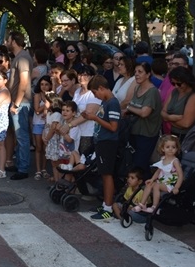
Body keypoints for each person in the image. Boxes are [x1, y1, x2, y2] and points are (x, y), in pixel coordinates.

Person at [83, 74, 121, 220]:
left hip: (108, 142)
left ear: (101, 88)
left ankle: (108, 207)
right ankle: (106, 203)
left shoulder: (112, 103)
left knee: (107, 174)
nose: (95, 96)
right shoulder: (106, 102)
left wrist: (95, 118)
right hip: (101, 141)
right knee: (104, 174)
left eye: (94, 92)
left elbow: (113, 127)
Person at [124, 62, 163, 177]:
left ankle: (145, 185)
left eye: (140, 72)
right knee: (135, 163)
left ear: (148, 74)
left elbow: (144, 112)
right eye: (135, 72)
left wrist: (128, 107)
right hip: (134, 131)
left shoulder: (152, 91)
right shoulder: (137, 88)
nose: (136, 74)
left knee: (140, 165)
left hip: (147, 134)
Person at [6, 31, 33, 180]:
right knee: (18, 135)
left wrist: (16, 104)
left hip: (21, 103)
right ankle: (20, 164)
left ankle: (23, 169)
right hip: (17, 101)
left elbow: (24, 82)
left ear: (14, 42)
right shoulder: (19, 57)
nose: (6, 43)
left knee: (22, 136)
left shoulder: (22, 58)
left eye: (8, 40)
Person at [134, 135, 184, 213]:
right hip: (161, 181)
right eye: (168, 147)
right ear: (163, 148)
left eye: (173, 147)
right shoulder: (163, 158)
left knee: (156, 185)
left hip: (170, 184)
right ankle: (142, 204)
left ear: (177, 149)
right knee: (149, 184)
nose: (170, 149)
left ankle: (154, 207)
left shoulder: (175, 161)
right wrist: (152, 179)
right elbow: (158, 171)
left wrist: (176, 187)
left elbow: (181, 175)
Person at [161, 66, 195, 139]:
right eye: (173, 83)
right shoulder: (174, 92)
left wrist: (167, 118)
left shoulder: (194, 97)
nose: (176, 86)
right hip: (174, 133)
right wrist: (170, 117)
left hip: (188, 137)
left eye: (179, 84)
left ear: (187, 81)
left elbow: (186, 124)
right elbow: (162, 112)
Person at [32, 75, 52, 180]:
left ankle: (44, 169)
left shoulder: (52, 95)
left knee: (46, 148)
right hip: (38, 123)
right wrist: (48, 103)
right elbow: (37, 110)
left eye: (46, 84)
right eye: (42, 84)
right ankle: (38, 170)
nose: (44, 87)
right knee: (39, 147)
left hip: (48, 123)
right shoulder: (37, 95)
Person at [42, 94, 65, 182]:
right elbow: (46, 126)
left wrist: (47, 138)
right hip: (50, 140)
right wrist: (44, 136)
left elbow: (53, 128)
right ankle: (56, 179)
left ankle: (60, 180)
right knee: (53, 162)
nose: (45, 103)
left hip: (55, 140)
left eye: (46, 102)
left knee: (57, 162)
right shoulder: (49, 114)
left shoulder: (57, 114)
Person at [57, 101, 85, 172]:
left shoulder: (74, 127)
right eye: (63, 110)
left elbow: (69, 140)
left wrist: (61, 129)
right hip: (63, 152)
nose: (64, 112)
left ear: (73, 113)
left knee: (69, 174)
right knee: (61, 170)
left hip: (71, 155)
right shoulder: (63, 122)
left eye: (67, 111)